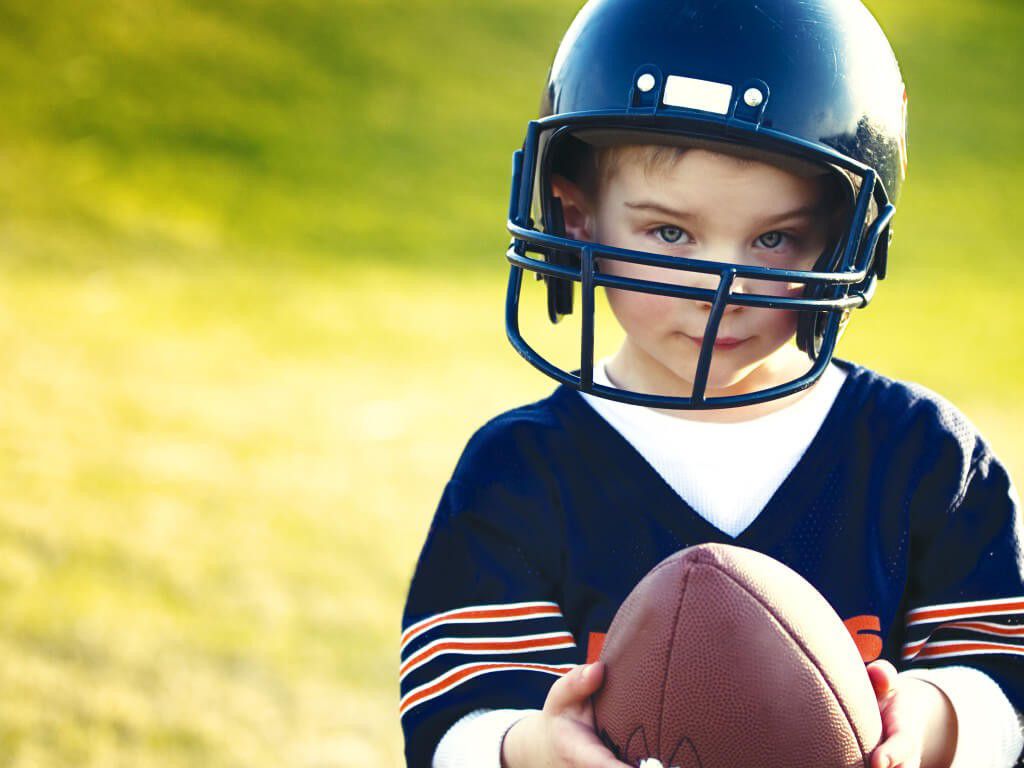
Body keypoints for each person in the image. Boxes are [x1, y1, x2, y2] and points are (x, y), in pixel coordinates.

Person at [400, 1, 1024, 766]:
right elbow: (454, 719)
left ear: (844, 237)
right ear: (578, 219)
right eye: (670, 233)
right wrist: (530, 747)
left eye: (774, 239)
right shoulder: (517, 476)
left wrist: (933, 722)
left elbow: (1005, 675)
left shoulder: (926, 461)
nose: (718, 288)